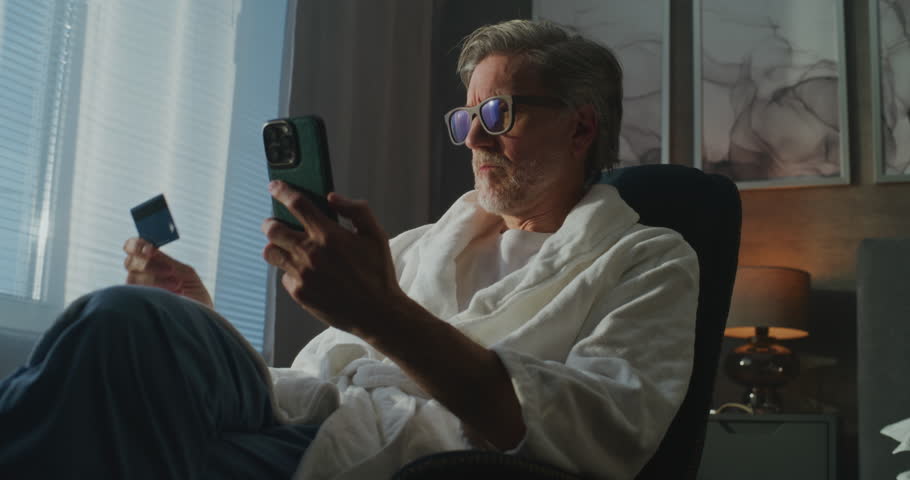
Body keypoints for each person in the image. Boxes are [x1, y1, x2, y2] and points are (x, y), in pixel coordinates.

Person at [0, 19, 697, 479]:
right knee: (129, 318)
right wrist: (200, 319)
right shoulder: (423, 246)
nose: (475, 140)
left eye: (497, 113)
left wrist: (382, 313)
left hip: (397, 451)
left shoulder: (648, 260)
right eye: (466, 118)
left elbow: (604, 430)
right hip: (308, 410)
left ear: (580, 129)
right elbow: (310, 379)